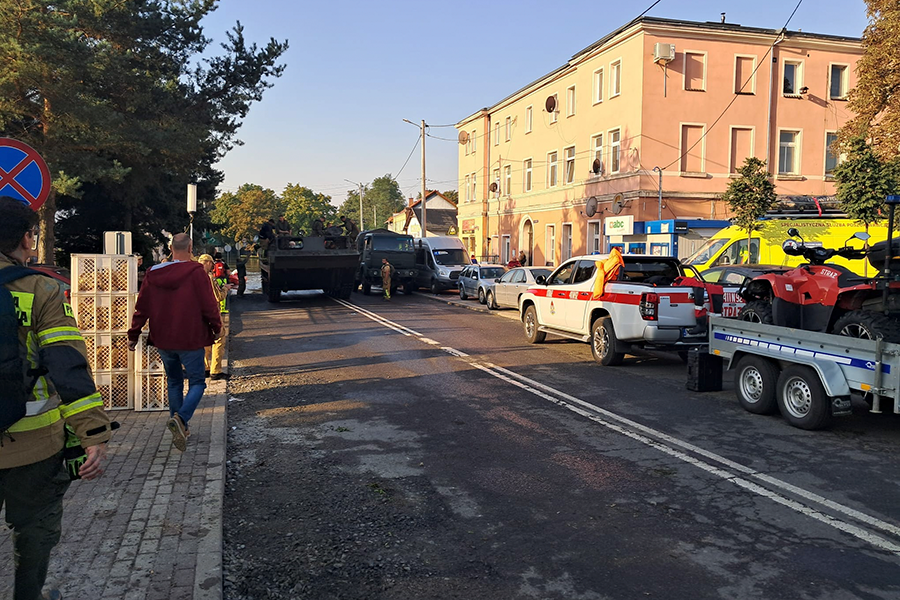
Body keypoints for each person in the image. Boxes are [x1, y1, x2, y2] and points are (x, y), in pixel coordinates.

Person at [0, 197, 114, 600]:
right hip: (33, 449)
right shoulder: (43, 290)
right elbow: (67, 368)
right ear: (27, 239)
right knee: (34, 531)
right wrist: (94, 434)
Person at [127, 233, 222, 451]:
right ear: (190, 248)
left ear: (170, 248)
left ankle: (181, 428)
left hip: (163, 339)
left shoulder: (152, 273)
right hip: (190, 337)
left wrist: (133, 335)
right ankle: (181, 419)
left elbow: (142, 307)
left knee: (174, 382)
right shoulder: (197, 272)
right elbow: (209, 305)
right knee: (198, 382)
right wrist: (217, 328)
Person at [199, 254, 233, 381]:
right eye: (211, 264)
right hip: (212, 312)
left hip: (199, 314)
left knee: (205, 342)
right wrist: (225, 288)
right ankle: (216, 371)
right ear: (207, 263)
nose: (213, 266)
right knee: (219, 339)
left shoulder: (195, 276)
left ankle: (205, 368)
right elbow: (218, 297)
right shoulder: (209, 277)